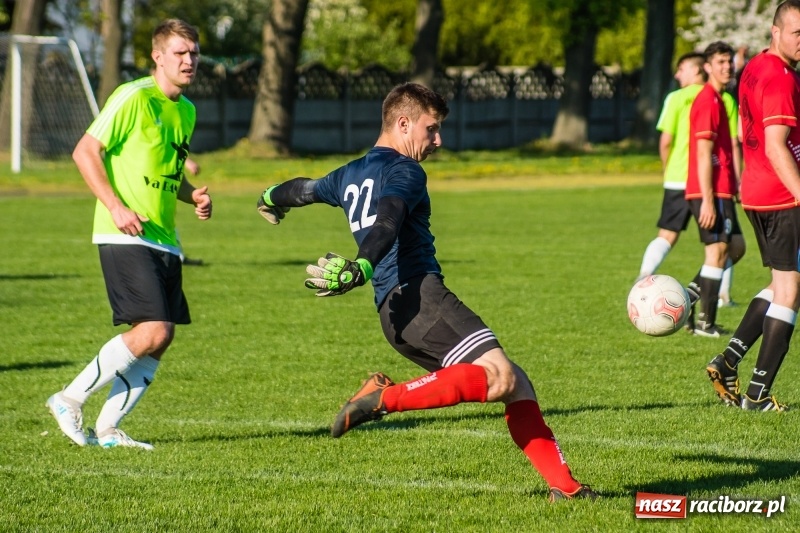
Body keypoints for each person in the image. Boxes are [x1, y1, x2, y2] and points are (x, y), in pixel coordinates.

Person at [255, 82, 596, 501]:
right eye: (431, 129)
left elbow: (304, 189)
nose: (438, 140)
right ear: (403, 124)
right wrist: (363, 264)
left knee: (516, 383)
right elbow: (389, 218)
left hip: (394, 313)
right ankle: (383, 399)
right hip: (422, 299)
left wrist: (269, 197)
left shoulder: (348, 174)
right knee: (501, 377)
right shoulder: (406, 170)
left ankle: (566, 488)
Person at [46, 18, 212, 448]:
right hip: (123, 233)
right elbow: (85, 152)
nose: (189, 60)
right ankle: (69, 398)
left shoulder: (187, 110)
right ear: (157, 56)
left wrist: (192, 195)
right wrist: (116, 207)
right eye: (180, 53)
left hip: (164, 238)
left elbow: (167, 172)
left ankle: (107, 431)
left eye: (194, 53)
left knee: (160, 338)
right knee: (153, 330)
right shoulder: (133, 96)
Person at [706, 0, 800, 412]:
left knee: (781, 284)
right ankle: (758, 394)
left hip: (758, 192)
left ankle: (728, 360)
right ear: (775, 31)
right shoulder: (780, 78)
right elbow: (777, 145)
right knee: (790, 291)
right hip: (782, 195)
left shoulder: (757, 66)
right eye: (797, 33)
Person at [637, 53, 740, 307]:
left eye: (680, 69)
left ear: (695, 70)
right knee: (724, 241)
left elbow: (666, 141)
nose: (676, 74)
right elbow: (732, 143)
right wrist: (736, 179)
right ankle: (722, 295)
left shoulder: (676, 98)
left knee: (667, 234)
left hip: (677, 178)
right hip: (711, 181)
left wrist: (668, 167)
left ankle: (643, 279)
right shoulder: (724, 98)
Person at [683, 41, 746, 338]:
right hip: (709, 191)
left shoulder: (720, 99)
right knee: (717, 251)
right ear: (707, 67)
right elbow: (702, 152)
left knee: (735, 248)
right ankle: (705, 324)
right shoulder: (707, 100)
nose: (727, 67)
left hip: (722, 191)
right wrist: (708, 200)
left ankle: (685, 300)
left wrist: (735, 183)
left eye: (729, 61)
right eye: (720, 62)